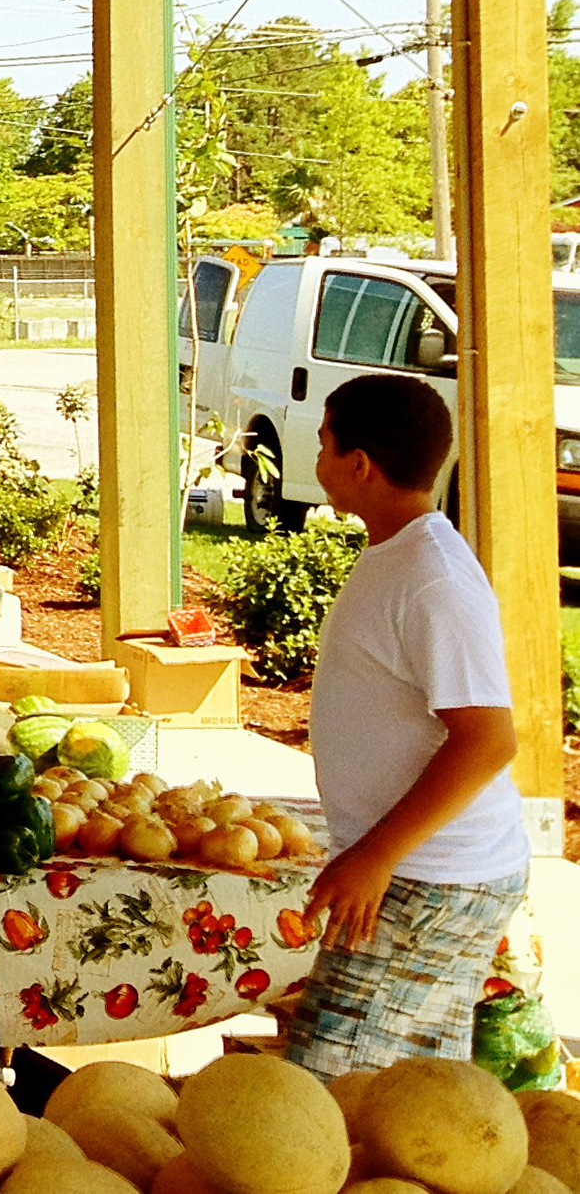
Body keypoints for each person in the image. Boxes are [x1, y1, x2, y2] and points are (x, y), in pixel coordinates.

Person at [287, 372, 530, 1076]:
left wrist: (376, 855)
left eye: (325, 443)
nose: (318, 461)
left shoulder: (434, 576)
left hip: (428, 878)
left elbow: (488, 740)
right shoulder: (400, 555)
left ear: (360, 463)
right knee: (407, 1102)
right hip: (415, 871)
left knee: (332, 1098)